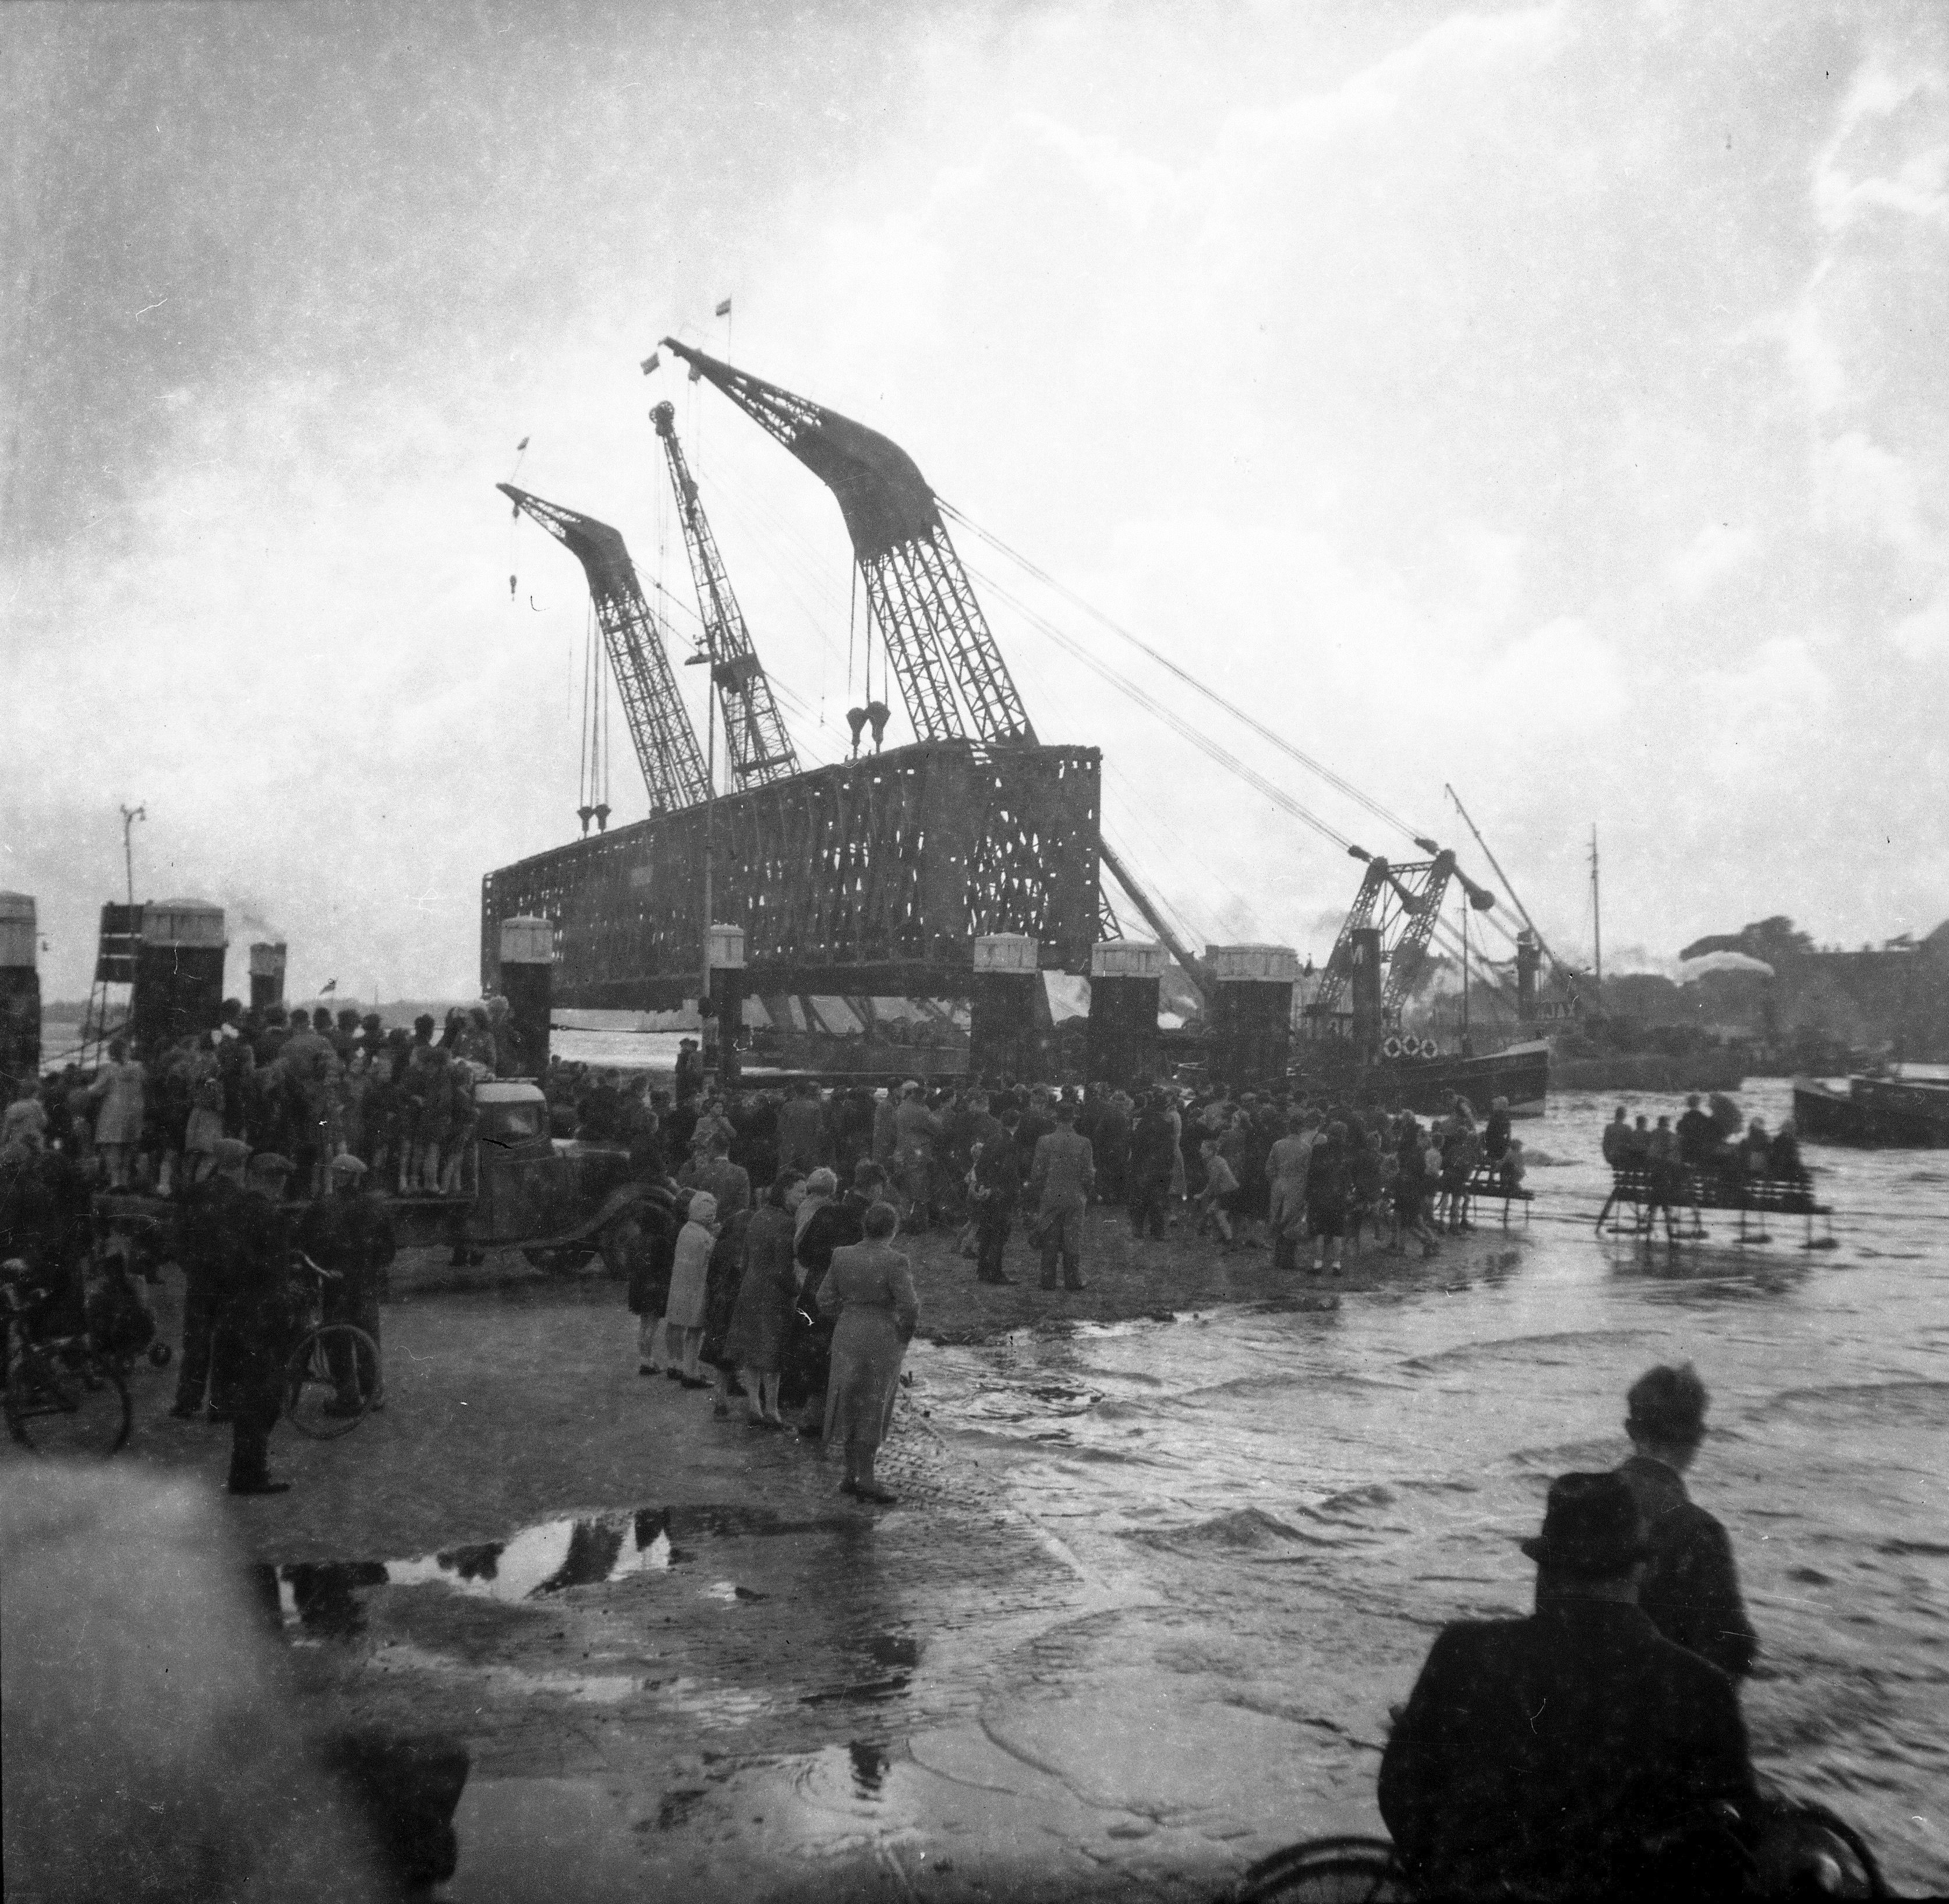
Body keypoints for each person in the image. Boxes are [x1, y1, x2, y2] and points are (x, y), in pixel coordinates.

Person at [1379, 1471, 1760, 1899]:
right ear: (1642, 1571)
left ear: (1545, 1569)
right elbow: (1734, 1848)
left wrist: (1449, 1881)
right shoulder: (1699, 1688)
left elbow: (1401, 1788)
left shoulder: (1465, 1651)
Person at [1617, 1364, 1757, 1682]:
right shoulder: (1700, 1530)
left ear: (1630, 1430)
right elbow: (1732, 1652)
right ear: (1699, 1437)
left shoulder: (1579, 1502)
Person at [815, 1201, 918, 1504]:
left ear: (864, 1227)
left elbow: (823, 1299)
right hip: (881, 1337)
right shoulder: (895, 1261)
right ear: (893, 1230)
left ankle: (850, 1475)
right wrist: (903, 1336)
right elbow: (910, 1306)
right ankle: (868, 1477)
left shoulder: (841, 1255)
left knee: (847, 1399)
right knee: (874, 1403)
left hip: (848, 1332)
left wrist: (846, 1315)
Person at [211, 1152, 298, 1495]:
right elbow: (272, 1273)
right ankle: (249, 1475)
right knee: (262, 1397)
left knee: (247, 1395)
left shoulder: (232, 1211)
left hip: (234, 1314)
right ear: (273, 1181)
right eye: (281, 1182)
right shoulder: (270, 1217)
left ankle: (246, 1471)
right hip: (261, 1318)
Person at [296, 1153, 395, 1416]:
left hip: (335, 1285)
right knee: (368, 1338)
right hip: (365, 1284)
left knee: (337, 1339)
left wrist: (323, 1270)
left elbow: (306, 1247)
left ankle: (348, 1398)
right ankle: (373, 1394)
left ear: (339, 1177)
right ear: (358, 1177)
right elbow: (389, 1251)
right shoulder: (375, 1206)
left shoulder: (322, 1206)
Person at [723, 1171, 804, 1426]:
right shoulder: (787, 1222)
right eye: (800, 1191)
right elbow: (783, 1268)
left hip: (750, 1288)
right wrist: (796, 1289)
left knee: (752, 1352)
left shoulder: (758, 1216)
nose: (803, 1197)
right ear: (786, 1191)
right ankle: (772, 1409)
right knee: (773, 1354)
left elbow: (745, 1257)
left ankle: (754, 1406)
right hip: (774, 1295)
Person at [1028, 1100, 1094, 1290]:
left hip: (1051, 1195)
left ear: (1055, 1118)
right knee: (1072, 1239)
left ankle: (1047, 1280)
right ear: (1074, 1119)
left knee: (1050, 1237)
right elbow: (1088, 1175)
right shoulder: (1084, 1143)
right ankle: (1073, 1280)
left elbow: (1037, 1173)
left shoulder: (1044, 1141)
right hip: (1075, 1195)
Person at [662, 1191, 717, 1388]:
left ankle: (678, 1365)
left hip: (680, 1288)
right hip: (697, 1290)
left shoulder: (686, 1230)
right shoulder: (704, 1236)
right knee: (695, 1332)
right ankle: (691, 1373)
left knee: (678, 1326)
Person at [968, 1107, 1021, 1284]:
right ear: (1017, 1124)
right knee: (1000, 1234)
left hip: (988, 1191)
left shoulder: (992, 1140)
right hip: (1002, 1192)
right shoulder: (1010, 1143)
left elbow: (980, 1166)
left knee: (987, 1232)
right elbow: (1009, 1171)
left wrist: (985, 1185)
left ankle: (983, 1270)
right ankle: (996, 1272)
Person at [89, 1039, 146, 1190]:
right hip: (134, 1110)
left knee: (114, 1146)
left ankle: (115, 1182)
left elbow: (97, 1090)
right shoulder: (138, 1067)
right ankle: (125, 1181)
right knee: (129, 1145)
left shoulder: (108, 1068)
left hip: (114, 1110)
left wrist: (86, 1089)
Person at [1306, 1121, 1351, 1275]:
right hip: (1339, 1197)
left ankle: (1318, 1264)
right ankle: (1336, 1266)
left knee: (1320, 1232)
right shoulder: (1347, 1152)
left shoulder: (1319, 1150)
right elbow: (1348, 1177)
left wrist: (1309, 1193)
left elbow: (1312, 1172)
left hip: (1320, 1196)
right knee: (1338, 1233)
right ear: (1344, 1135)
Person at [1601, 1105, 1632, 1169]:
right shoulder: (1627, 1128)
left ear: (1616, 1115)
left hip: (1612, 1157)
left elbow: (1605, 1144)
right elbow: (1631, 1145)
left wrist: (1607, 1157)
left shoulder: (1609, 1127)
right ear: (1624, 1116)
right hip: (1624, 1157)